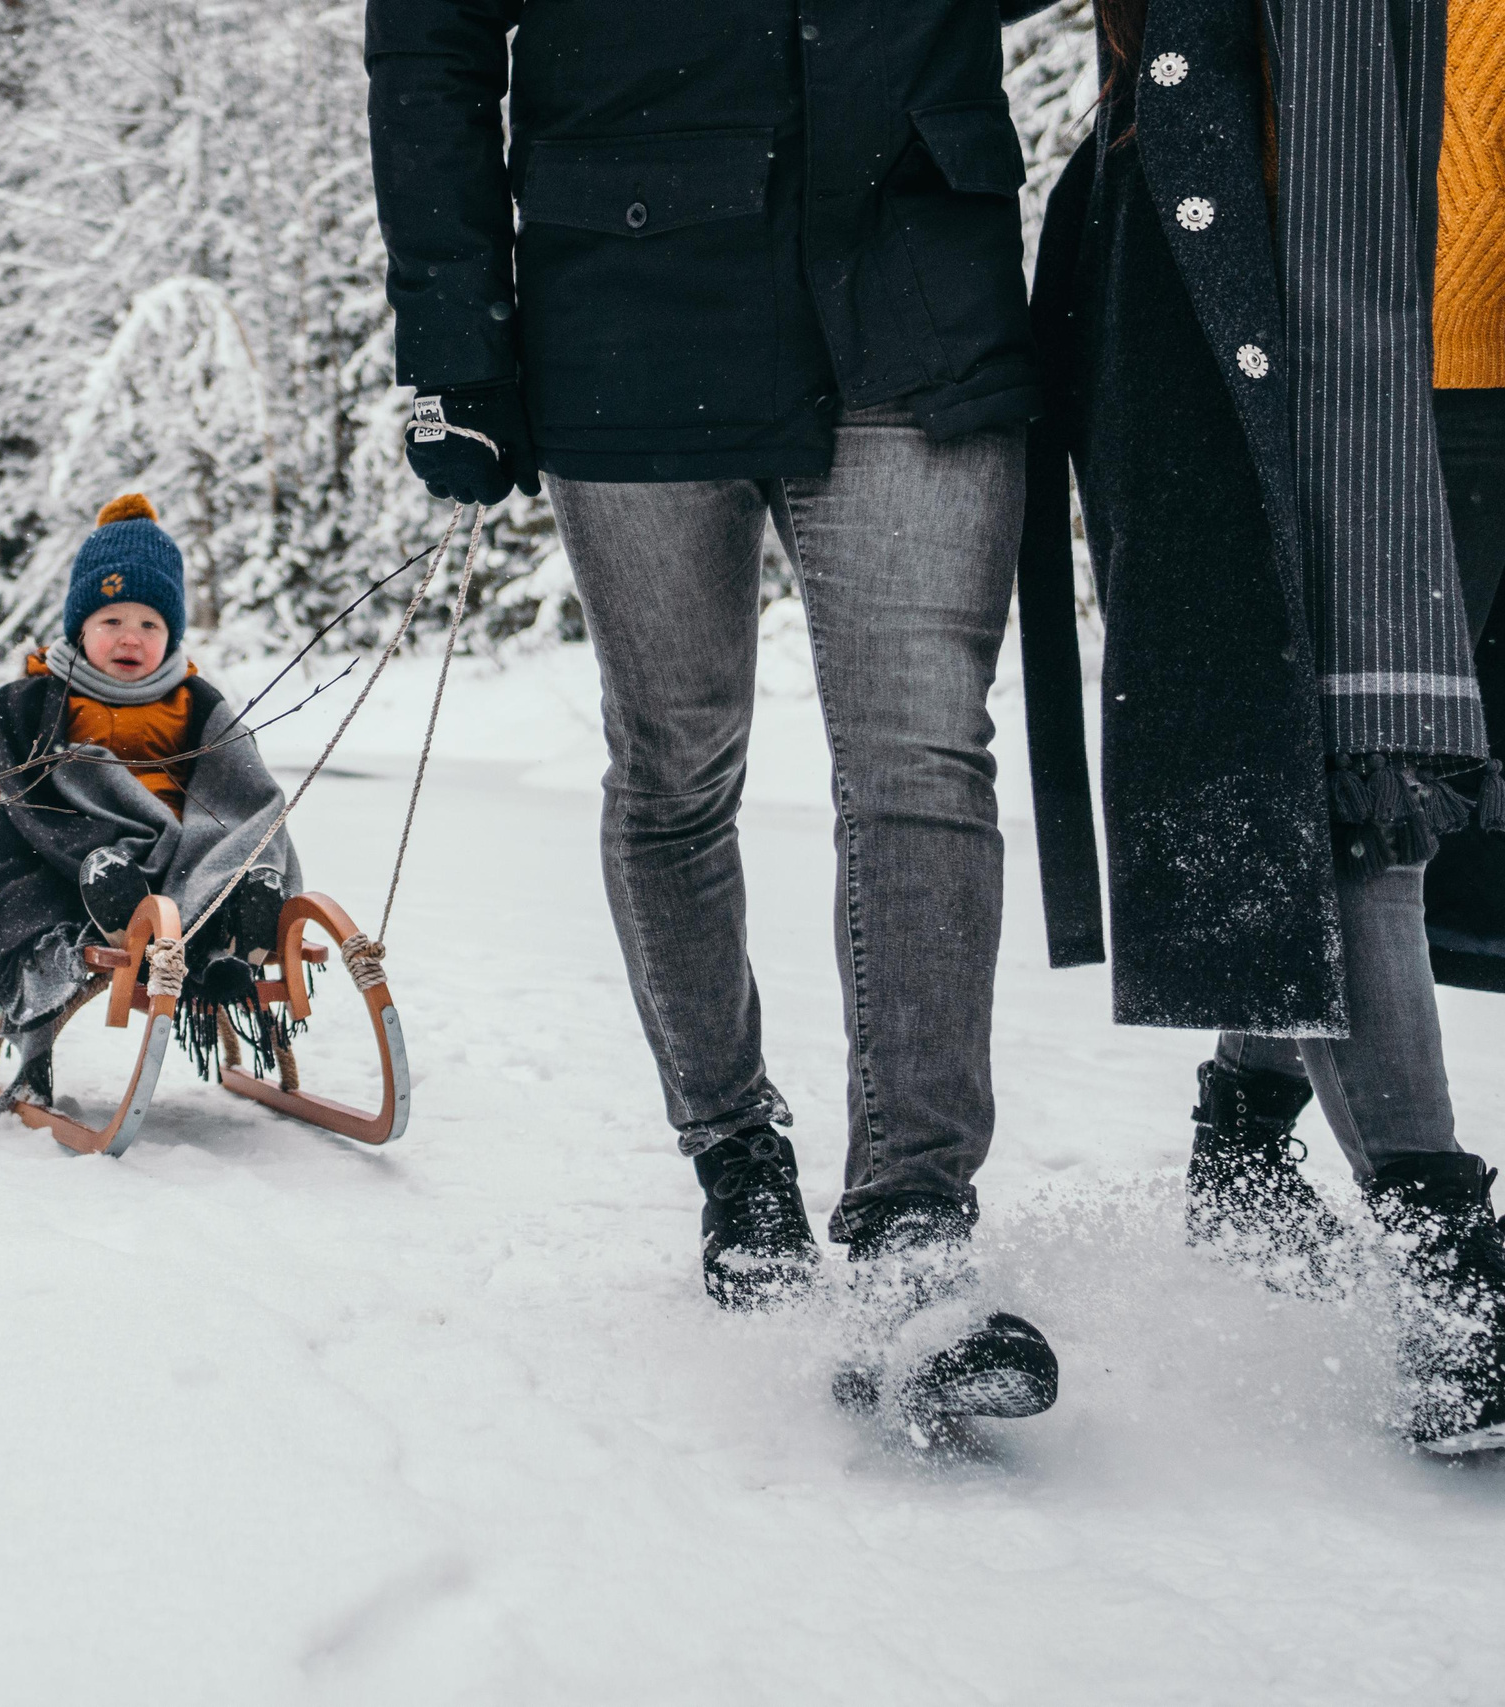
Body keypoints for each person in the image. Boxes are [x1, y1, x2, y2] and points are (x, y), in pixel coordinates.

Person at [1019, 0, 1505, 1453]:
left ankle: (1243, 1129)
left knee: (1353, 784)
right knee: (1371, 791)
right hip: (1292, 383)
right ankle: (1448, 1274)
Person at [367, 0, 1064, 1422]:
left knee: (925, 756)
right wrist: (456, 338)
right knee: (677, 760)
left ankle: (912, 1226)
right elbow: (428, 39)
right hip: (631, 295)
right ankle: (736, 1152)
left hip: (913, 278)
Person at [0, 494, 301, 1108]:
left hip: (187, 858)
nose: (131, 638)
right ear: (81, 628)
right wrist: (5, 788)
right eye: (111, 622)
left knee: (250, 806)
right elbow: (23, 784)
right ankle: (129, 905)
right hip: (77, 862)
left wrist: (228, 832)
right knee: (78, 790)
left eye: (149, 624)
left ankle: (232, 917)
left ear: (171, 632)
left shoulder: (195, 702)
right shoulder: (37, 702)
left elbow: (237, 784)